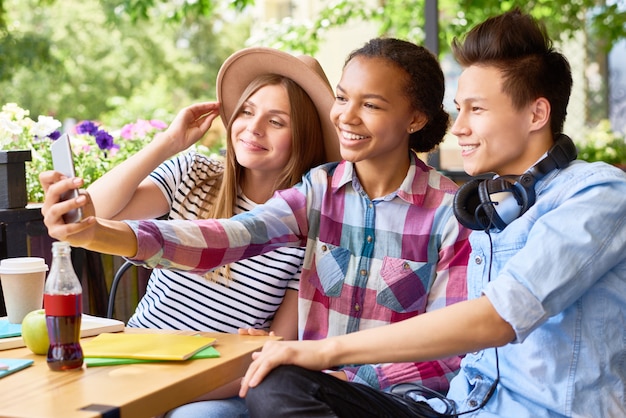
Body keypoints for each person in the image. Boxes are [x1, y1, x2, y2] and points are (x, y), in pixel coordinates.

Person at [219, 9, 625, 418]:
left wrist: (325, 351)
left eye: (476, 110)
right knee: (281, 385)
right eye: (459, 109)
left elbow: (499, 317)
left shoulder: (598, 193)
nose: (459, 127)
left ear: (537, 114)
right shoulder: (490, 209)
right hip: (457, 409)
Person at [40, 36, 472, 398]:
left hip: (387, 399)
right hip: (309, 389)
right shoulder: (316, 192)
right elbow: (224, 237)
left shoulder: (452, 214)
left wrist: (343, 374)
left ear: (415, 119)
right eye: (341, 98)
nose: (347, 115)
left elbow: (450, 350)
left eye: (371, 105)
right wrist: (94, 232)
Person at [40, 46, 340, 417]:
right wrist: (169, 142)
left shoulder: (307, 227)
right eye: (247, 111)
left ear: (304, 137)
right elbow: (93, 212)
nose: (253, 128)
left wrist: (171, 395)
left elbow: (274, 347)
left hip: (221, 383)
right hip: (135, 356)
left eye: (276, 121)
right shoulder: (195, 174)